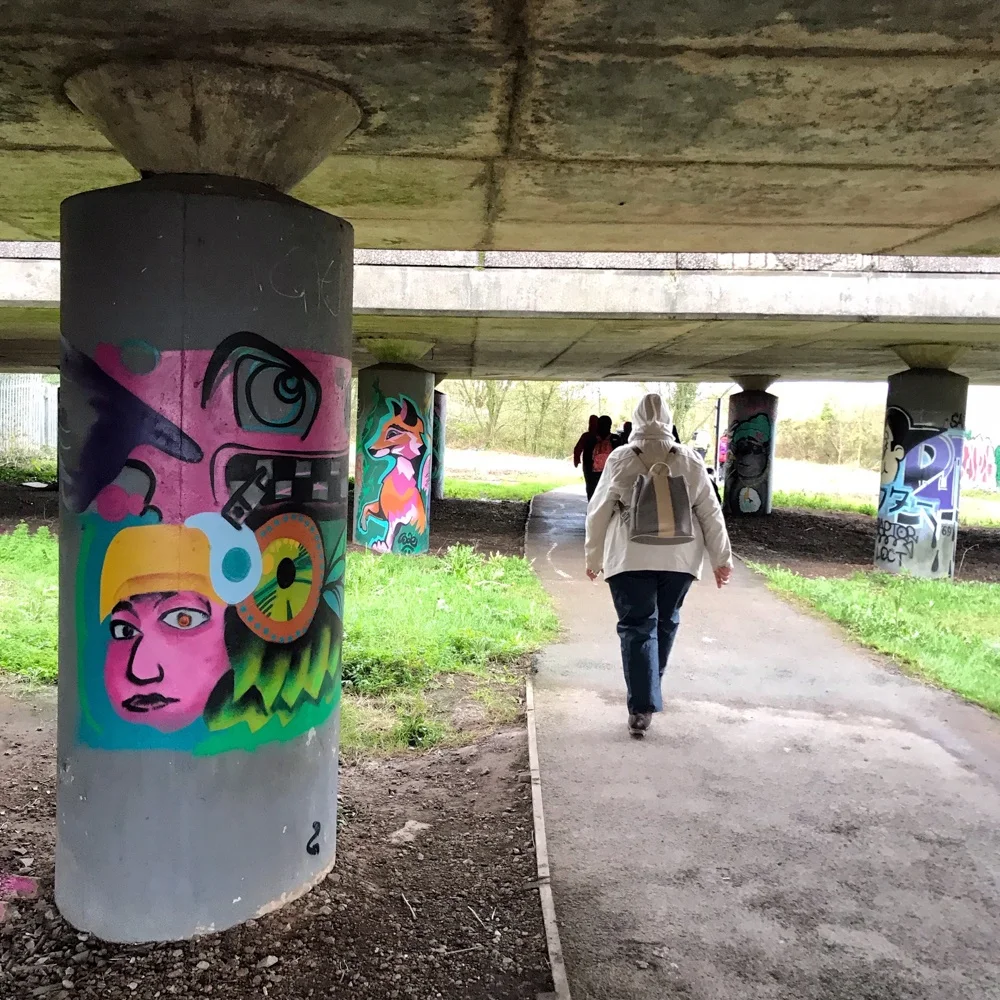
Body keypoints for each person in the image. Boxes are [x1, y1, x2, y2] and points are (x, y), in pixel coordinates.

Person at [584, 393, 733, 737]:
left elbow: (598, 510)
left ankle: (641, 706)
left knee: (637, 627)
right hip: (680, 559)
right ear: (669, 420)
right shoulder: (690, 459)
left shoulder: (621, 458)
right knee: (665, 623)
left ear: (635, 421)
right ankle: (649, 691)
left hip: (629, 558)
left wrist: (593, 557)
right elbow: (710, 512)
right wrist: (721, 559)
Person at [583, 415, 614, 500]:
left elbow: (585, 456)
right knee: (607, 494)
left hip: (592, 472)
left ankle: (592, 506)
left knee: (592, 492)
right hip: (609, 472)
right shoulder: (615, 439)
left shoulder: (589, 438)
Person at [573, 415, 598, 492]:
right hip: (599, 465)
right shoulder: (601, 436)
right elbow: (578, 449)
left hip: (588, 464)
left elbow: (578, 449)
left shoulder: (586, 436)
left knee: (590, 485)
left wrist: (576, 460)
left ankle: (591, 498)